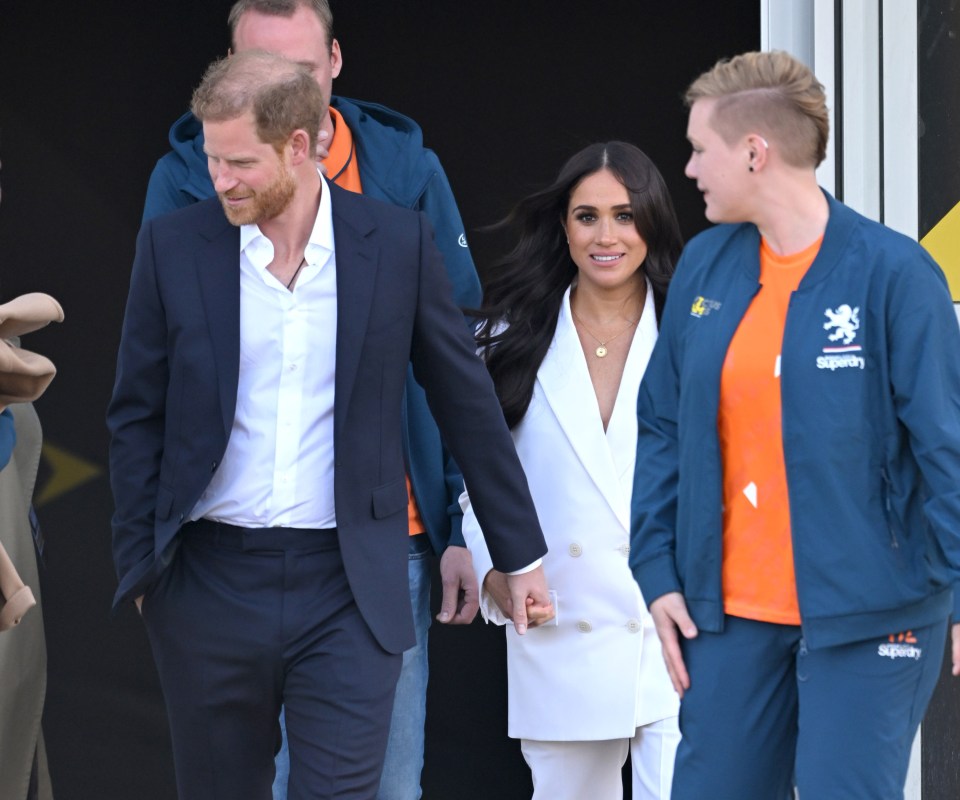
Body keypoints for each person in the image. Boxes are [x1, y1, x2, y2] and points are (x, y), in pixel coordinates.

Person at [108, 51, 553, 800]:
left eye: (238, 162)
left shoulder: (395, 243)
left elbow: (465, 401)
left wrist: (520, 554)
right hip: (208, 582)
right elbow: (135, 412)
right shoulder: (175, 245)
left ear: (297, 146)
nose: (220, 180)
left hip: (350, 585)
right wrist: (144, 569)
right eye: (213, 160)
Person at [629, 49, 960, 800]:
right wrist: (656, 571)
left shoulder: (895, 275)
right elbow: (660, 428)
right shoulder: (707, 268)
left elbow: (948, 447)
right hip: (731, 619)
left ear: (755, 152)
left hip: (874, 615)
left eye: (698, 149)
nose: (688, 170)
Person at [461, 142, 682, 800]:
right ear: (562, 226)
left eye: (625, 214)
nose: (606, 235)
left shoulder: (698, 333)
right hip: (562, 623)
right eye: (587, 216)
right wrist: (492, 567)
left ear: (654, 223)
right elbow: (478, 480)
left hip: (678, 625)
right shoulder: (504, 340)